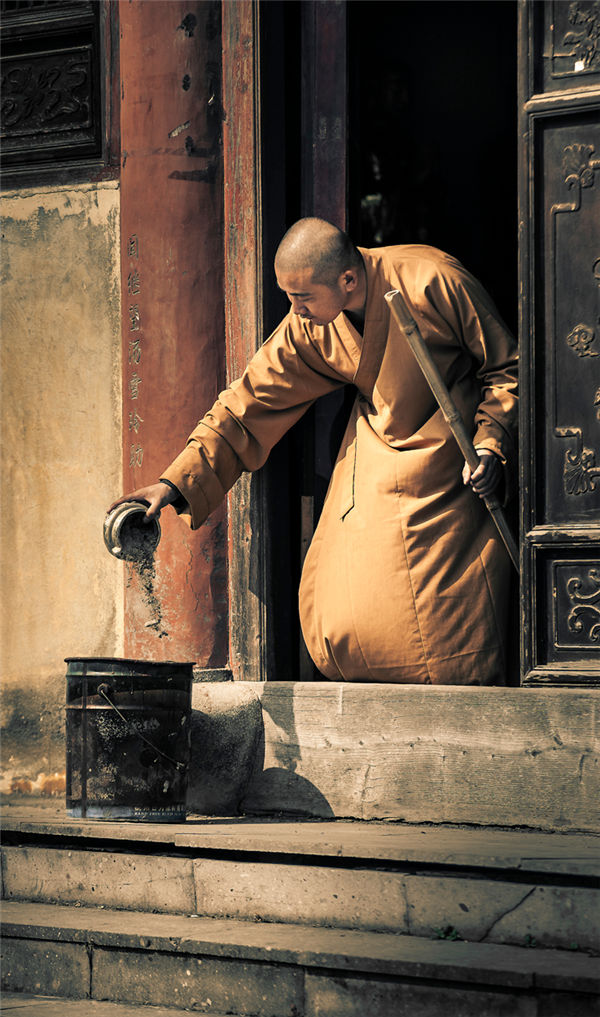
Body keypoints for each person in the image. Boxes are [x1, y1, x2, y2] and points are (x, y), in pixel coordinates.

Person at [112, 218, 518, 685]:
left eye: (302, 297)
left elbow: (508, 367)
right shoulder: (310, 324)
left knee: (452, 620)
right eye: (289, 297)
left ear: (346, 280)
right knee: (346, 608)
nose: (295, 310)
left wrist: (490, 443)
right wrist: (174, 481)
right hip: (380, 446)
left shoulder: (432, 279)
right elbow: (247, 404)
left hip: (455, 457)